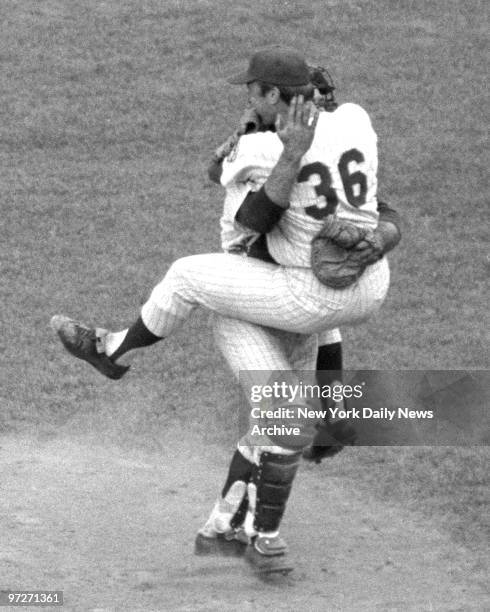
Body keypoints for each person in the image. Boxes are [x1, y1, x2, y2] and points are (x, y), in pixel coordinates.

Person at [51, 47, 393, 574]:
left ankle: (111, 350)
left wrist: (271, 143)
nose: (246, 99)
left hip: (293, 295)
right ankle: (224, 527)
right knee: (275, 415)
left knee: (190, 277)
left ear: (272, 97)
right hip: (361, 286)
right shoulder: (356, 120)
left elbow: (227, 183)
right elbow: (337, 308)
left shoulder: (260, 151)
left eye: (252, 91)